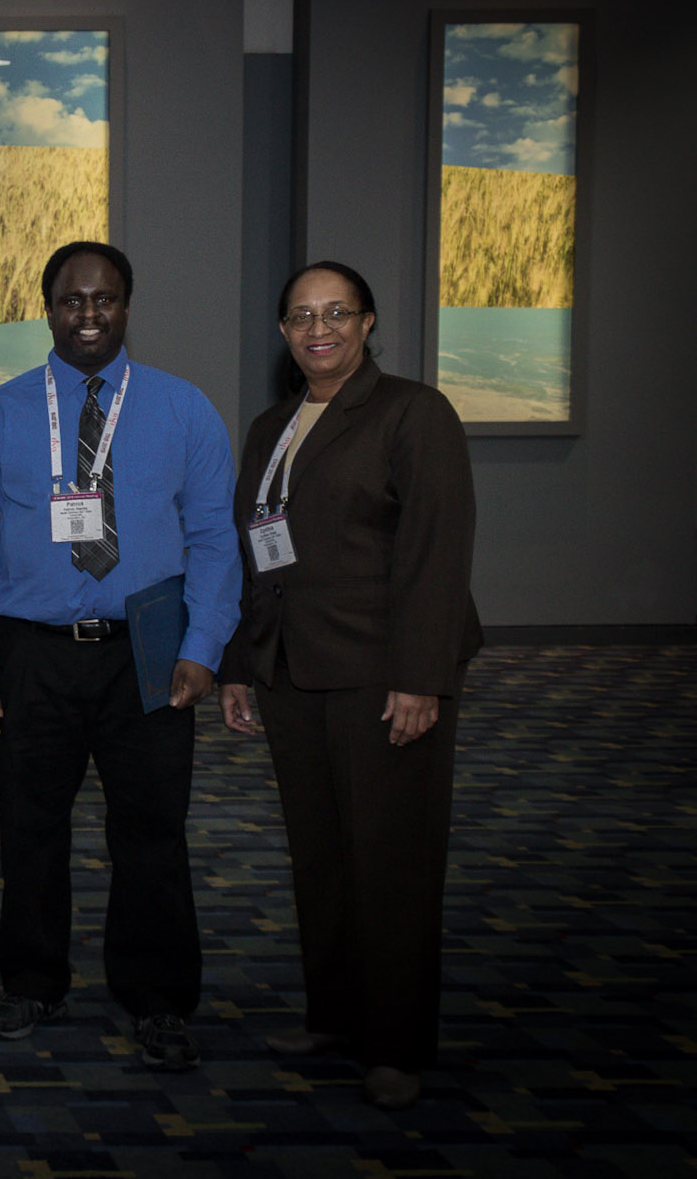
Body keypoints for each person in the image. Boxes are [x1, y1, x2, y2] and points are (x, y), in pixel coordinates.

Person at [0, 240, 240, 1072]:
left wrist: (203, 644)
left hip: (149, 639)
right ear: (47, 308)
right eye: (71, 300)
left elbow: (217, 539)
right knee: (27, 829)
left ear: (126, 306)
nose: (88, 314)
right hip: (29, 649)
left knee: (152, 830)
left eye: (104, 299)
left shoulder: (185, 411)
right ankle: (32, 980)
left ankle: (156, 997)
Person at [217, 261, 480, 1111]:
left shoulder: (413, 412)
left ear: (368, 322)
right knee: (322, 857)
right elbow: (256, 551)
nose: (316, 328)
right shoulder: (272, 424)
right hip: (295, 672)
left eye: (336, 313)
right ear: (285, 331)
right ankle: (335, 1014)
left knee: (391, 863)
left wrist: (420, 676)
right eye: (300, 315)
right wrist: (241, 663)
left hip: (381, 675)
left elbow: (436, 553)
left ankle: (395, 1042)